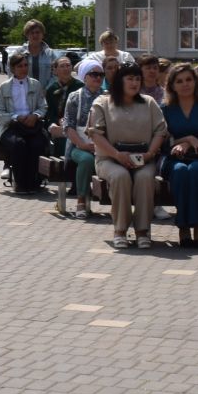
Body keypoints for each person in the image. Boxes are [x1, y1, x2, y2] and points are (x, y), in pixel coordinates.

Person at [87, 63, 167, 249]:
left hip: (143, 158)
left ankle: (142, 230)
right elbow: (95, 134)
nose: (134, 82)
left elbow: (160, 131)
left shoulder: (148, 102)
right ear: (119, 80)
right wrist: (116, 154)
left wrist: (149, 155)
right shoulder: (102, 102)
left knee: (145, 177)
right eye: (129, 78)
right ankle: (120, 229)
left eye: (137, 78)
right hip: (110, 158)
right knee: (120, 176)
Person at [162, 61, 198, 247]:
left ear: (195, 82)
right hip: (174, 159)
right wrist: (185, 140)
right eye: (179, 81)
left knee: (195, 170)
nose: (185, 84)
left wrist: (196, 143)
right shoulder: (165, 109)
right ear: (172, 85)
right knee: (180, 171)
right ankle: (183, 227)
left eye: (189, 79)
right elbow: (161, 140)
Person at [0, 51, 47, 194]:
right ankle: (20, 183)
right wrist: (16, 117)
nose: (24, 68)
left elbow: (43, 106)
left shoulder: (35, 84)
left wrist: (35, 116)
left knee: (37, 144)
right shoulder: (5, 87)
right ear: (12, 68)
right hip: (11, 126)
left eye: (25, 65)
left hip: (32, 125)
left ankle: (34, 182)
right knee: (18, 144)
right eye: (20, 66)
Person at [57, 59, 105, 218]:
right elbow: (68, 127)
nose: (98, 78)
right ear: (84, 77)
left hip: (103, 146)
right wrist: (83, 145)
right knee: (86, 160)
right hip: (78, 146)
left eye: (101, 75)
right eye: (94, 74)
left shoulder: (107, 98)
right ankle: (81, 201)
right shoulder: (74, 96)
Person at [44, 55, 81, 160]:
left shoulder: (79, 87)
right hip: (58, 125)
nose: (66, 68)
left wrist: (68, 121)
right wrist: (55, 122)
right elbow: (49, 112)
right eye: (62, 66)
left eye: (68, 65)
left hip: (74, 125)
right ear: (55, 70)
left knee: (65, 139)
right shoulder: (51, 89)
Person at [19, 19, 59, 89]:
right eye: (32, 33)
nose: (35, 35)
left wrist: (47, 90)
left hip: (46, 95)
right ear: (27, 35)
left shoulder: (51, 54)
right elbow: (12, 75)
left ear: (42, 34)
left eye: (38, 32)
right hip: (24, 94)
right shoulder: (18, 53)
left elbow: (56, 75)